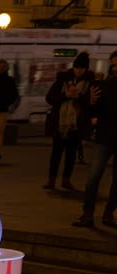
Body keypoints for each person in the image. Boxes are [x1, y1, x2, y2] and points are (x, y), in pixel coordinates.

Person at [72, 50, 117, 228]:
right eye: (113, 64)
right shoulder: (104, 84)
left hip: (108, 135)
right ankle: (87, 214)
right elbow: (92, 112)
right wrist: (91, 101)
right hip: (104, 136)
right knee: (93, 177)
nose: (115, 68)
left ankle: (109, 213)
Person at [45, 53, 94, 192]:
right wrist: (65, 95)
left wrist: (78, 97)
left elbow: (90, 103)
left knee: (71, 154)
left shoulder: (89, 83)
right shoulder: (62, 80)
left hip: (76, 123)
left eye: (82, 68)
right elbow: (49, 98)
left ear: (86, 69)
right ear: (73, 67)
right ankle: (52, 179)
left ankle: (66, 179)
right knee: (56, 152)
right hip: (60, 123)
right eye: (77, 67)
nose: (78, 70)